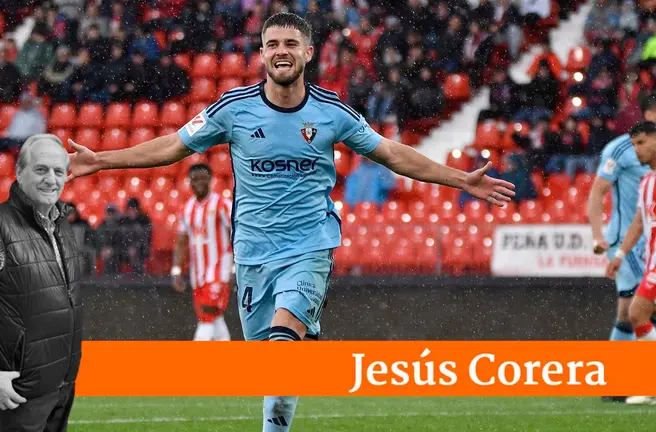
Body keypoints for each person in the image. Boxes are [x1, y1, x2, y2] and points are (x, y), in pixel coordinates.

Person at [67, 13, 514, 431]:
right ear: (262, 54)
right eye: (272, 43)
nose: (281, 50)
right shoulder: (233, 109)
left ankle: (298, 329)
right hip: (252, 255)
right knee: (275, 380)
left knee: (282, 345)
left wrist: (460, 180)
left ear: (308, 52)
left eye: (291, 43)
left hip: (308, 247)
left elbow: (392, 153)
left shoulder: (331, 112)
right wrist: (101, 159)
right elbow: (172, 146)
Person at [0, 134, 88, 431]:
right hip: (18, 386)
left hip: (63, 382)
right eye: (41, 170)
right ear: (19, 172)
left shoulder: (62, 224)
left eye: (58, 171)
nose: (51, 179)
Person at [588, 94, 656, 405]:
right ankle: (623, 380)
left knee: (635, 311)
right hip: (631, 245)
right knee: (631, 309)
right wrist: (600, 238)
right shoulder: (621, 149)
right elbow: (598, 192)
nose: (639, 148)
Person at [604, 121, 656, 405]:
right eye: (634, 144)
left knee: (636, 313)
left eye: (642, 143)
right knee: (639, 315)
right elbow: (638, 221)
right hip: (651, 261)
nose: (636, 150)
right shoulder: (647, 181)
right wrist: (621, 255)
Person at [172, 164, 234, 341]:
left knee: (207, 314)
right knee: (214, 316)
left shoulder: (222, 204)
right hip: (197, 274)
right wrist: (176, 270)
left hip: (219, 270)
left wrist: (235, 268)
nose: (199, 182)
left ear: (210, 180)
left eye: (203, 178)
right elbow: (182, 242)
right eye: (195, 179)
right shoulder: (186, 209)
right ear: (189, 182)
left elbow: (237, 235)